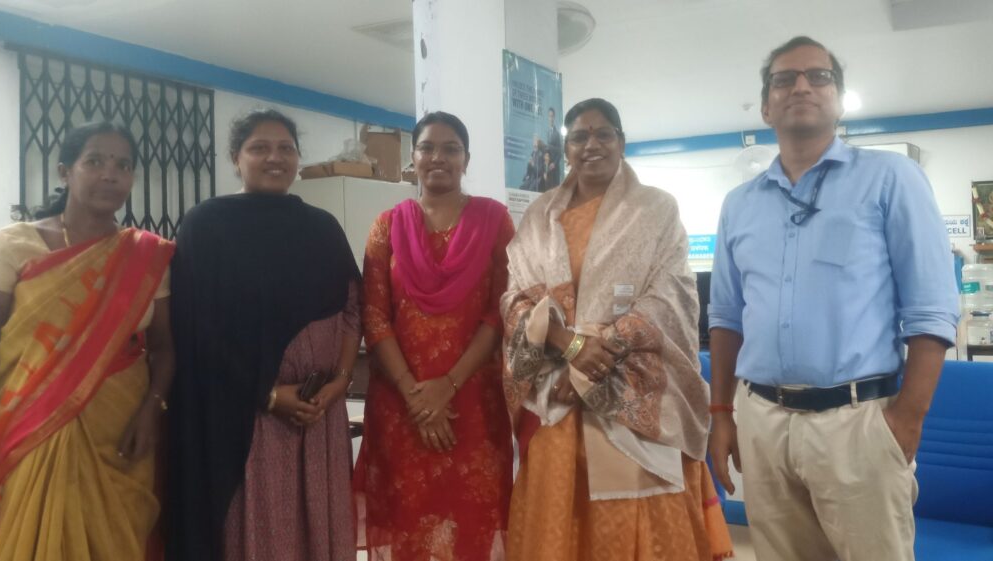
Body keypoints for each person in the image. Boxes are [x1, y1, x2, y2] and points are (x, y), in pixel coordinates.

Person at [708, 36, 959, 561]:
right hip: (762, 422)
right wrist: (723, 413)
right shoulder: (739, 205)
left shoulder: (891, 179)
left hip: (858, 421)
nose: (801, 87)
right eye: (784, 79)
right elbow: (727, 317)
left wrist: (907, 419)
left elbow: (932, 311)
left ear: (839, 100)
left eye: (818, 76)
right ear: (765, 106)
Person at [502, 98, 733, 561]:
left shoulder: (655, 209)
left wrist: (592, 361)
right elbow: (515, 299)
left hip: (633, 393)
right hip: (555, 400)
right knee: (557, 526)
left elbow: (670, 297)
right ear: (566, 149)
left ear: (621, 142)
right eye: (579, 136)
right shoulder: (540, 215)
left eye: (603, 133)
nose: (592, 144)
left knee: (639, 527)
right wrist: (571, 347)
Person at [0, 121, 175, 561]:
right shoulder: (13, 246)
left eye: (123, 165)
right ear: (65, 171)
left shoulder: (146, 255)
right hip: (31, 426)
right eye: (94, 161)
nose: (110, 174)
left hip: (119, 432)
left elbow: (164, 348)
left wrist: (151, 411)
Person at [166, 109, 361, 561]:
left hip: (317, 415)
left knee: (317, 528)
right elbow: (196, 327)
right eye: (259, 148)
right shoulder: (206, 226)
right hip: (244, 416)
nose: (275, 157)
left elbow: (353, 308)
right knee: (261, 528)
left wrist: (339, 382)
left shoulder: (323, 227)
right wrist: (267, 394)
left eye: (285, 148)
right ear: (236, 157)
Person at [353, 111, 515, 561]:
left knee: (472, 519)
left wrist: (448, 386)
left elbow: (501, 311)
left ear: (466, 159)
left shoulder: (495, 221)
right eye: (427, 147)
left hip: (473, 404)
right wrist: (416, 397)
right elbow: (373, 315)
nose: (438, 157)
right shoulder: (386, 225)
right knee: (409, 518)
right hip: (401, 405)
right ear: (413, 157)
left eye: (451, 149)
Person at [545, 106, 563, 187]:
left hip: (555, 170)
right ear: (548, 117)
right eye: (549, 116)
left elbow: (560, 153)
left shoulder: (557, 134)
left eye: (552, 116)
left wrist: (554, 164)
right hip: (548, 169)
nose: (551, 118)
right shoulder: (547, 133)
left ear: (554, 117)